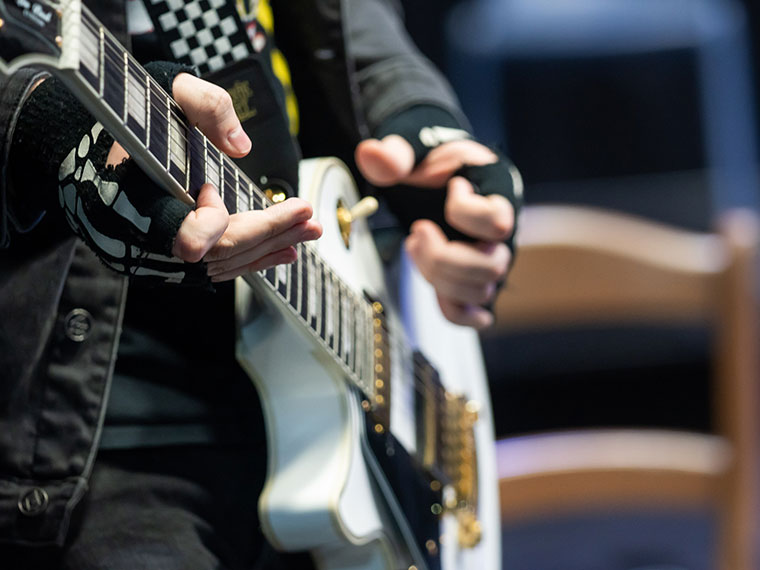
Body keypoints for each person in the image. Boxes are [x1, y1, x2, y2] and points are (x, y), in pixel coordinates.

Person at [0, 0, 521, 568]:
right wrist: (45, 130)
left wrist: (418, 122)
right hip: (104, 437)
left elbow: (348, 28)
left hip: (333, 379)